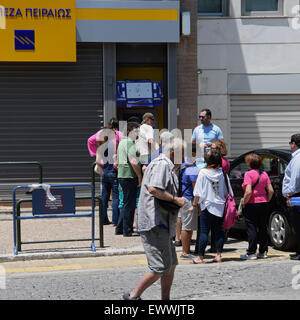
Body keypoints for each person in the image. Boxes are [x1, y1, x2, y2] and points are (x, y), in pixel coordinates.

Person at [123, 138, 186, 300]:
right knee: (160, 266)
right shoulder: (162, 164)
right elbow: (154, 189)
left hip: (162, 222)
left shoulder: (167, 165)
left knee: (171, 264)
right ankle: (133, 296)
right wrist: (175, 200)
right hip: (154, 222)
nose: (185, 159)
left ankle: (165, 299)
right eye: (183, 155)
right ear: (173, 153)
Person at [190, 151, 233, 264]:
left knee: (204, 232)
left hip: (207, 205)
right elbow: (228, 191)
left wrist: (194, 205)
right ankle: (218, 255)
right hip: (220, 206)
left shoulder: (203, 173)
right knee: (219, 231)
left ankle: (200, 257)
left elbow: (198, 192)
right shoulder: (223, 173)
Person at [240, 153, 274, 260]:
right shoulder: (264, 174)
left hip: (251, 204)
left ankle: (251, 252)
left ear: (249, 164)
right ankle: (263, 252)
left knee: (252, 228)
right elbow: (271, 190)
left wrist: (244, 202)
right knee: (263, 228)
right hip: (263, 203)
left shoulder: (248, 174)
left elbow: (248, 191)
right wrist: (266, 200)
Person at [115, 122, 142, 237]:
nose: (138, 134)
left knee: (126, 202)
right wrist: (139, 176)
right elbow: (133, 161)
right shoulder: (129, 143)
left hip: (122, 175)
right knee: (129, 204)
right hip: (129, 176)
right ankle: (127, 230)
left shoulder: (122, 142)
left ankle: (120, 227)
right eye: (136, 131)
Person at [180, 143, 199, 259]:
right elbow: (195, 188)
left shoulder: (183, 165)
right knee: (187, 227)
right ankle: (185, 252)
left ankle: (186, 250)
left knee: (188, 226)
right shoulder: (192, 168)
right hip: (189, 200)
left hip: (184, 197)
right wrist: (196, 204)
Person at [282, 134, 300, 260]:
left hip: (296, 195)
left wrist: (290, 195)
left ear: (293, 143)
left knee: (298, 225)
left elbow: (295, 178)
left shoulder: (297, 159)